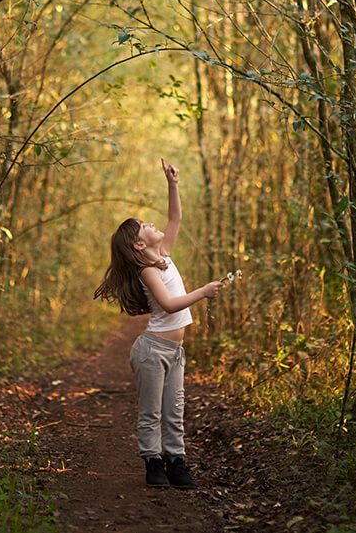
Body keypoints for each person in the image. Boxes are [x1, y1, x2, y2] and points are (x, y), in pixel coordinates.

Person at [93, 157, 223, 488]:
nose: (154, 225)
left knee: (173, 411)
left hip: (174, 350)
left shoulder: (163, 254)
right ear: (139, 244)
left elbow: (175, 216)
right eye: (146, 227)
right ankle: (153, 463)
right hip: (152, 351)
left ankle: (176, 461)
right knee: (151, 412)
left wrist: (173, 184)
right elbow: (167, 304)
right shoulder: (148, 271)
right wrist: (203, 291)